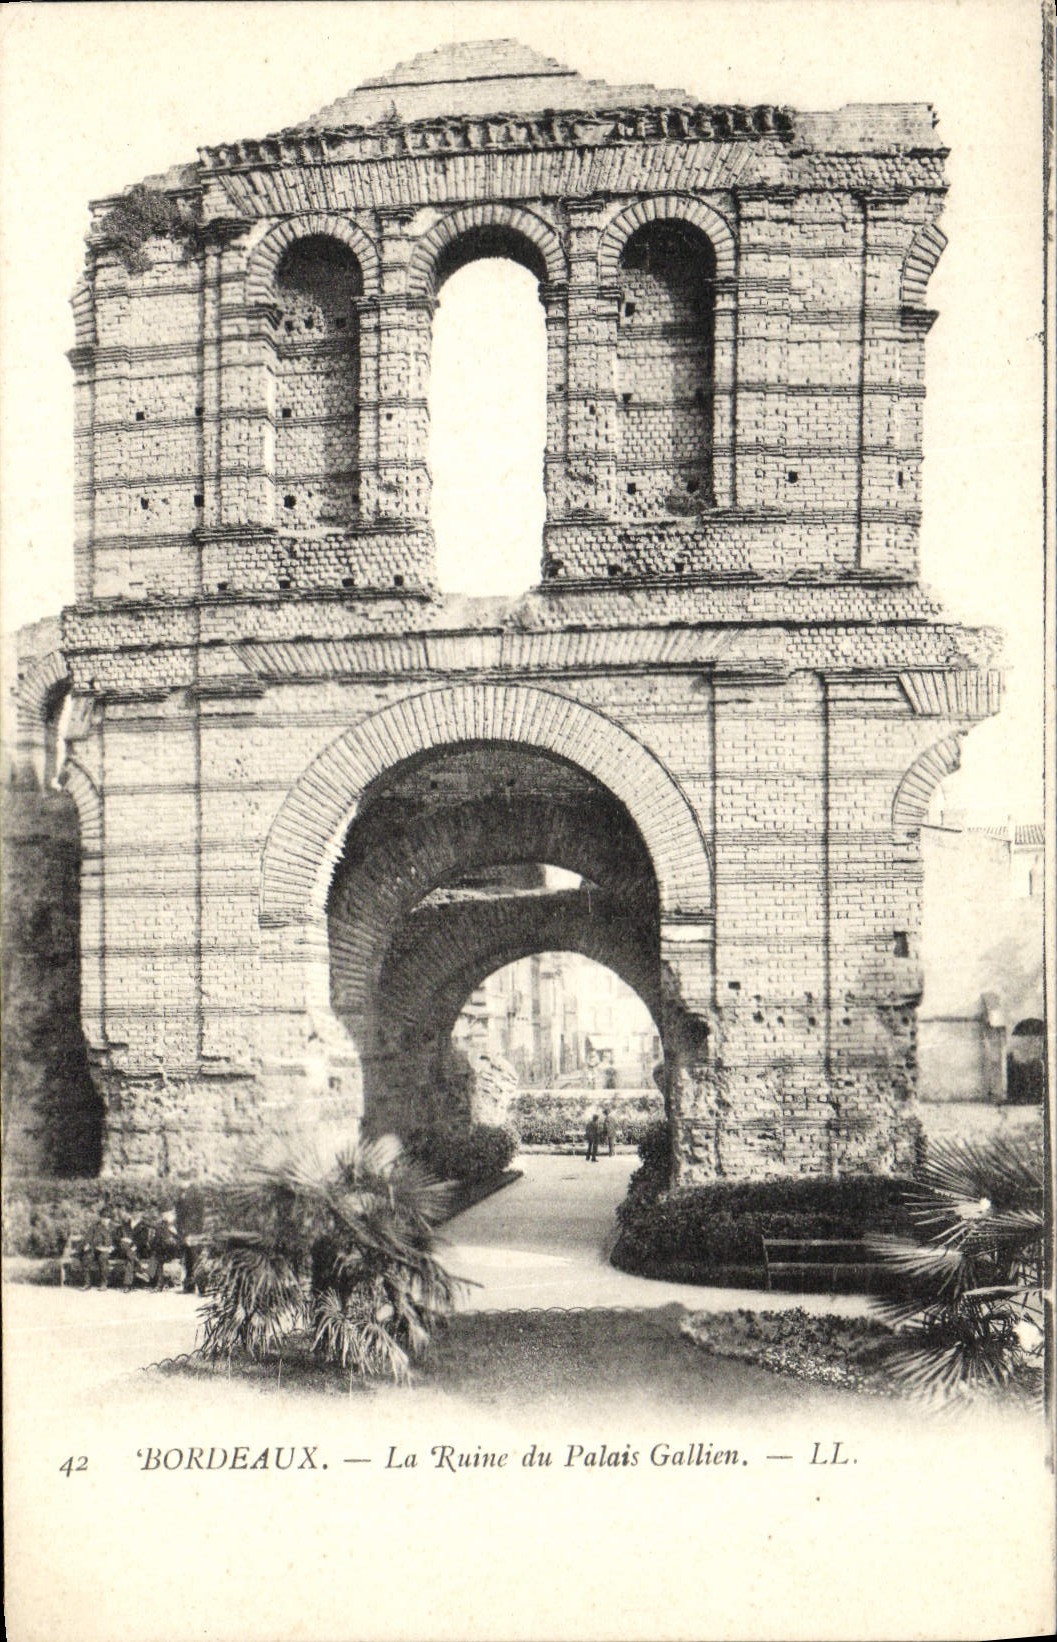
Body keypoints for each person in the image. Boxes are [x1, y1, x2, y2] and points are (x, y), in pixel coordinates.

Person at [174, 1183, 206, 1293]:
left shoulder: (197, 1197)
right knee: (188, 1260)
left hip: (193, 1233)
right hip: (185, 1233)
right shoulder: (180, 1199)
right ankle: (189, 1286)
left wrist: (194, 1234)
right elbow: (179, 1219)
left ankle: (199, 1286)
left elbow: (199, 1218)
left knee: (195, 1259)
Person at [81, 1205, 114, 1290]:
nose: (105, 1220)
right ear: (100, 1218)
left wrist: (112, 1248)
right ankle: (87, 1283)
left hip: (109, 1251)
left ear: (110, 1219)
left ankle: (104, 1283)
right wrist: (86, 1244)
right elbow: (88, 1237)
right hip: (94, 1249)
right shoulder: (94, 1227)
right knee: (86, 1258)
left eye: (107, 1218)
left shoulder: (114, 1228)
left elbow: (117, 1241)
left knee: (103, 1258)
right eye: (103, 1218)